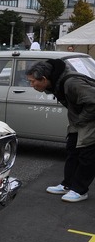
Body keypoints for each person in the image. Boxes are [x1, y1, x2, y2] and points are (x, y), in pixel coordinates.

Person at [26, 59, 95, 202]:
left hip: (90, 118)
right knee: (72, 149)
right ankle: (68, 184)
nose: (31, 85)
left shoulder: (71, 82)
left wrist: (81, 120)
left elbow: (93, 101)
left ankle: (80, 190)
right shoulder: (56, 82)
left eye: (33, 82)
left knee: (87, 154)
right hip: (80, 119)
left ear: (44, 79)